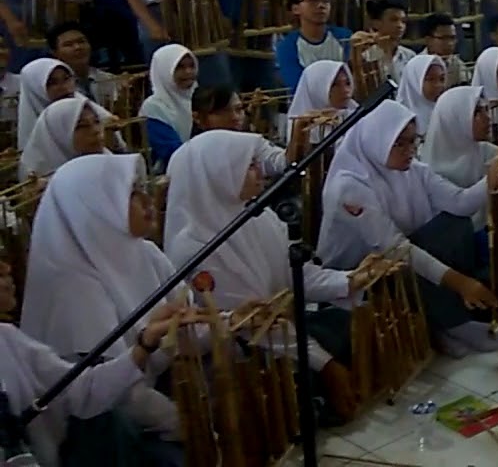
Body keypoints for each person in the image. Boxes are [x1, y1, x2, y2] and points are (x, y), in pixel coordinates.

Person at [163, 131, 361, 424]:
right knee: (295, 377)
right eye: (249, 165)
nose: (260, 172)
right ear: (221, 174)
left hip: (281, 333)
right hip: (242, 356)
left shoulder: (257, 216)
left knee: (346, 324)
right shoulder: (193, 245)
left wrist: (350, 280)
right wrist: (327, 364)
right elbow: (252, 322)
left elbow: (294, 274)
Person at [21, 154, 186, 452]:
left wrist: (226, 321)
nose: (148, 200)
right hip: (103, 429)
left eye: (142, 187)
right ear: (95, 209)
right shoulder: (72, 288)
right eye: (130, 194)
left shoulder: (145, 252)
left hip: (153, 397)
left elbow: (183, 322)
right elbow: (114, 396)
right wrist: (185, 423)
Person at [315, 100, 498, 358]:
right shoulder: (349, 186)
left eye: (414, 141)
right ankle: (451, 323)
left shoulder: (411, 169)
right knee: (406, 257)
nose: (410, 151)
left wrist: (494, 175)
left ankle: (444, 322)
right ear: (376, 140)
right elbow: (395, 249)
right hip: (360, 274)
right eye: (399, 143)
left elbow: (460, 203)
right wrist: (461, 283)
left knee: (454, 225)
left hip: (399, 255)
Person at [1, 258, 184, 467]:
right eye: (0, 275)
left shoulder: (8, 341)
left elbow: (82, 391)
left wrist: (145, 343)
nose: (8, 279)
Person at [421, 86, 498, 231]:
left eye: (486, 110)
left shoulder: (481, 149)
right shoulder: (427, 170)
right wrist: (494, 173)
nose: (488, 118)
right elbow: (461, 204)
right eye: (477, 112)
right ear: (454, 119)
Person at [190, 84, 289, 176]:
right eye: (223, 112)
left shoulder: (251, 143)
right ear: (197, 117)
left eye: (239, 109)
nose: (235, 117)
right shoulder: (188, 156)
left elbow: (282, 161)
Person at [275, 0, 353, 93]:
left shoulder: (344, 37)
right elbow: (297, 86)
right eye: (313, 0)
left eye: (326, 1)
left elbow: (353, 77)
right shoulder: (287, 47)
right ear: (295, 8)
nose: (321, 5)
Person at [19, 94, 110, 179]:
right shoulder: (40, 184)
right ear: (58, 135)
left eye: (97, 122)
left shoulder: (110, 163)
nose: (96, 130)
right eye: (82, 126)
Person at [140, 44, 198, 171]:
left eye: (191, 66)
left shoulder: (201, 95)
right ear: (164, 70)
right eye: (180, 67)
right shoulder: (154, 106)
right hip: (171, 171)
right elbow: (169, 150)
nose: (188, 72)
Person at [46, 21, 118, 106]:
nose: (78, 47)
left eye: (81, 41)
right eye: (68, 45)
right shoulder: (56, 88)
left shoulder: (109, 79)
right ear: (55, 53)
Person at [16, 57, 78, 150]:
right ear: (35, 89)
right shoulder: (34, 140)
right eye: (53, 83)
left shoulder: (89, 112)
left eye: (66, 79)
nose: (64, 87)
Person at [395, 54, 448, 150]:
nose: (438, 85)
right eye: (430, 79)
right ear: (414, 82)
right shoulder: (398, 120)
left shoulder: (447, 112)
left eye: (442, 79)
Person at [357, 0, 414, 82]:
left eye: (403, 21)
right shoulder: (366, 57)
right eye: (393, 20)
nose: (400, 25)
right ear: (376, 23)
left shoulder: (410, 56)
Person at [422, 12, 470, 86]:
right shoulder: (417, 66)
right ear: (428, 40)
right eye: (444, 38)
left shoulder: (457, 64)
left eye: (452, 38)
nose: (450, 43)